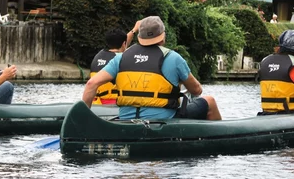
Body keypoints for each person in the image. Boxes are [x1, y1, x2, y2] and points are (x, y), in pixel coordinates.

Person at [82, 16, 222, 120]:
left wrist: (84, 119)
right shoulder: (173, 58)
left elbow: (91, 84)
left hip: (126, 120)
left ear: (140, 36)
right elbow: (196, 90)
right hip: (162, 121)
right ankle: (215, 141)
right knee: (210, 101)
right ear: (162, 36)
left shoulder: (120, 58)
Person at [90, 22, 141, 105]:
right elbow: (123, 46)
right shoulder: (121, 59)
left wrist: (134, 30)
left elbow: (122, 44)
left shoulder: (98, 56)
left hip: (96, 104)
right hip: (113, 104)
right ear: (124, 44)